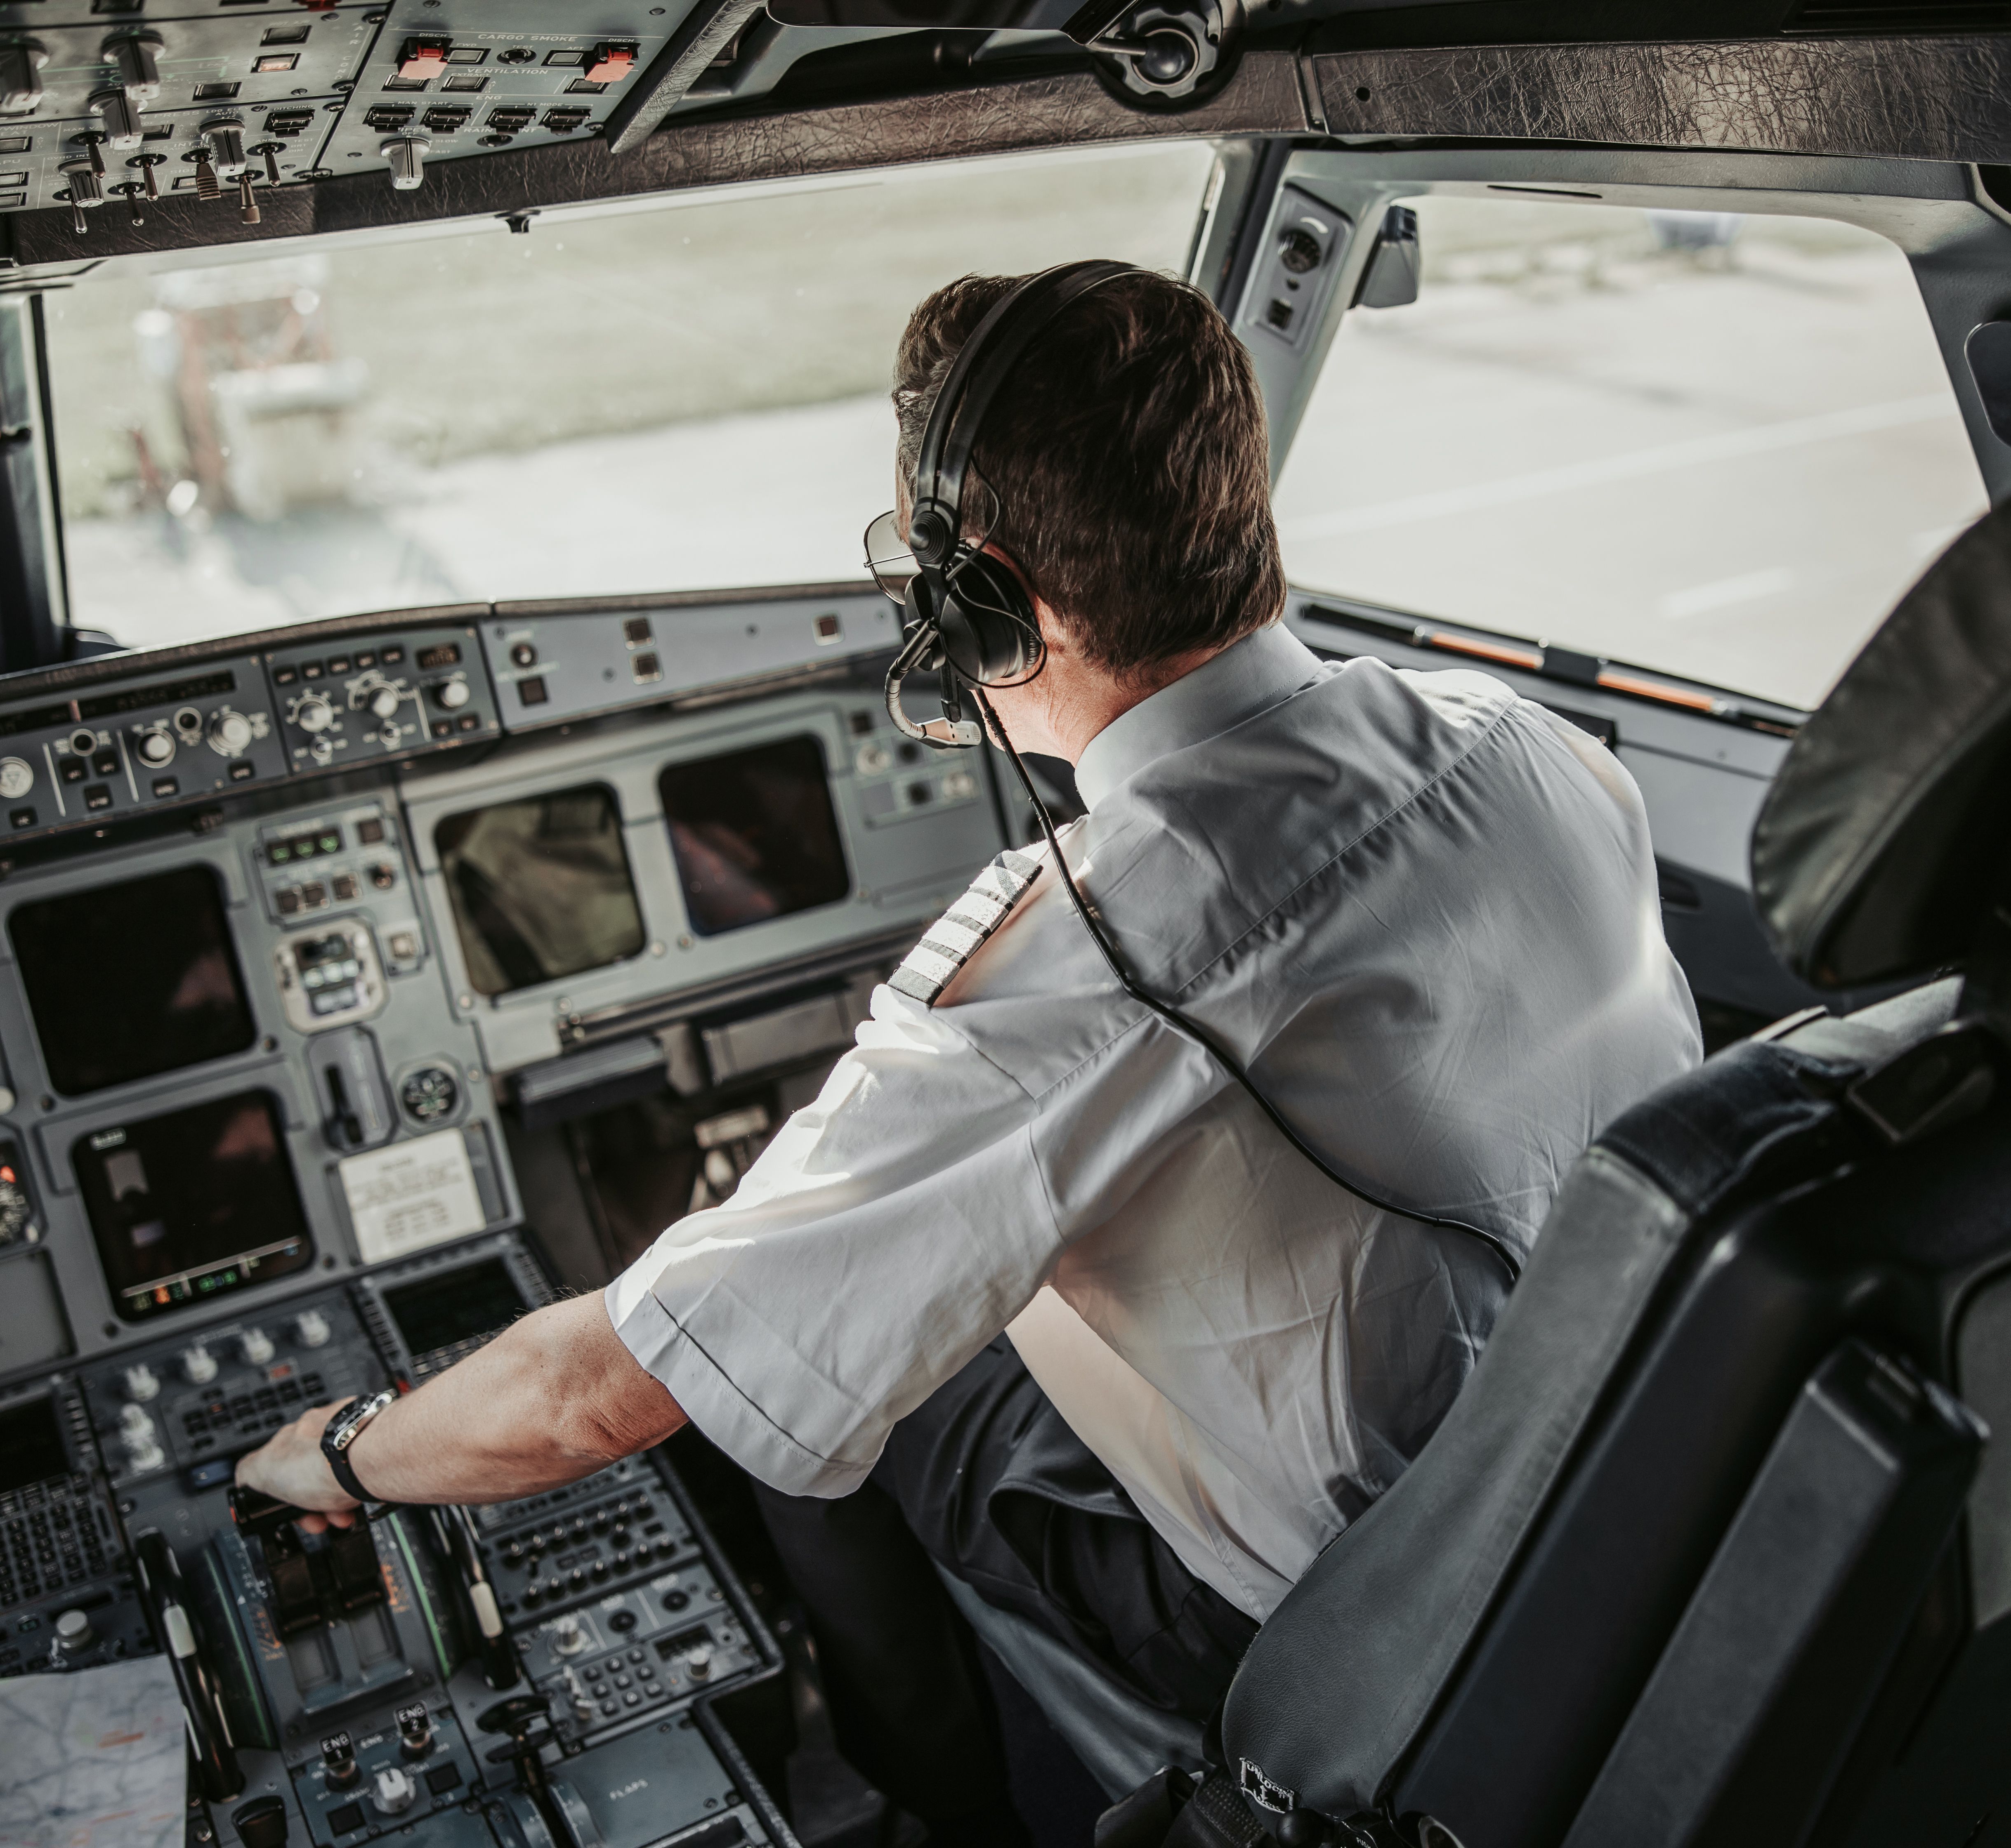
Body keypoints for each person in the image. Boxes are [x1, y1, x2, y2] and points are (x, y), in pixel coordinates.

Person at [238, 264, 1702, 1841]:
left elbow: (603, 1394)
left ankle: (934, 1803)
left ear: (982, 594)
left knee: (812, 1385)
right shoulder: (1525, 739)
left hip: (1349, 1624)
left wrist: (335, 1458)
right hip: (1628, 1485)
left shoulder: (1082, 956)